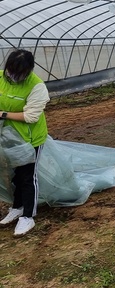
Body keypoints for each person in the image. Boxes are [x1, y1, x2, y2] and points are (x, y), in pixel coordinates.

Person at [0, 49, 50, 236]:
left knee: (28, 177)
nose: (13, 75)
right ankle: (17, 207)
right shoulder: (1, 78)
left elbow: (31, 116)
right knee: (14, 176)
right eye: (11, 70)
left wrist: (3, 114)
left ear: (29, 70)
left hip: (29, 139)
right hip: (8, 138)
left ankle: (28, 217)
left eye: (19, 72)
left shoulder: (37, 86)